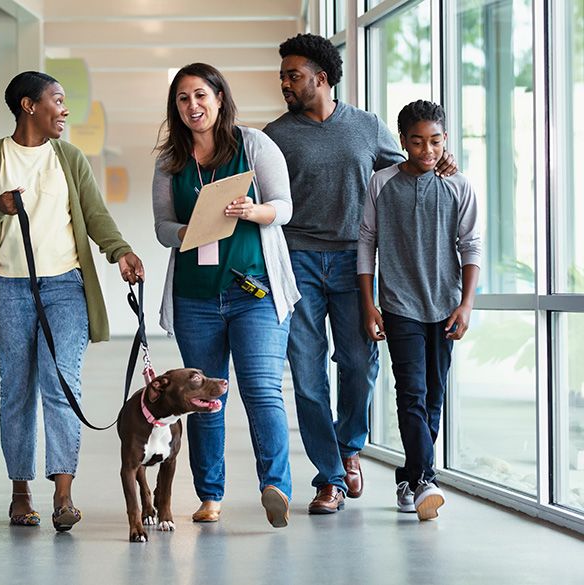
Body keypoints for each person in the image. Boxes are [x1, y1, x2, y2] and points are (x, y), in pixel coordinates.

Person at [263, 33, 457, 514]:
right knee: (307, 376)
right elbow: (264, 197)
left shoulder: (367, 127)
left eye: (293, 74)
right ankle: (329, 477)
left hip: (356, 262)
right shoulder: (276, 135)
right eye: (283, 75)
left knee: (358, 364)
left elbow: (408, 168)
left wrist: (444, 162)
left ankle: (350, 446)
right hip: (297, 262)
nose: (284, 82)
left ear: (321, 78)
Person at [0, 71, 144, 531]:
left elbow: (95, 213)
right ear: (28, 106)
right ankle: (21, 493)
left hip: (64, 287)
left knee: (61, 386)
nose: (63, 110)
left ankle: (63, 494)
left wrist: (120, 251)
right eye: (57, 100)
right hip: (6, 287)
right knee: (17, 393)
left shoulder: (69, 157)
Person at [152, 63, 301, 528]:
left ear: (219, 97)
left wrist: (252, 210)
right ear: (176, 108)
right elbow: (161, 228)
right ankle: (210, 495)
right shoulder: (169, 160)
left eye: (200, 95)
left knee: (262, 390)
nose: (193, 106)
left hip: (254, 291)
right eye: (182, 99)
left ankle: (275, 487)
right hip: (196, 297)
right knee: (203, 399)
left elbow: (284, 207)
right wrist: (189, 231)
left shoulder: (254, 145)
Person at [357, 100, 481, 520]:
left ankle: (408, 477)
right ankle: (427, 478)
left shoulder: (458, 185)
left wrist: (466, 303)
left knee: (434, 395)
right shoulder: (381, 182)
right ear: (403, 141)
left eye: (435, 141)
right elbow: (366, 242)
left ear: (445, 140)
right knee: (411, 392)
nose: (427, 150)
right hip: (399, 305)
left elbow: (471, 245)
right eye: (417, 141)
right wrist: (369, 303)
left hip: (445, 304)